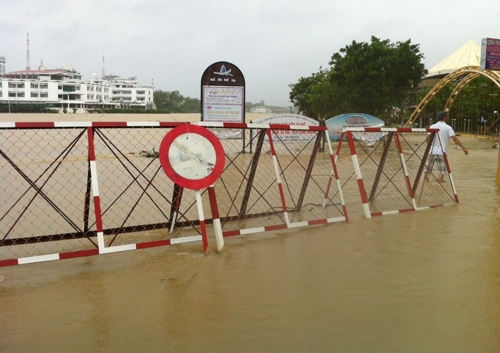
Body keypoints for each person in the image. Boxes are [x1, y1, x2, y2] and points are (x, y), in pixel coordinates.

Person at [425, 111, 468, 183]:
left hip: (431, 151)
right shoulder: (448, 128)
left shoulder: (432, 126)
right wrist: (463, 148)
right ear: (445, 118)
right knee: (441, 171)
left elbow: (428, 138)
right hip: (442, 153)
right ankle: (439, 184)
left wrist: (431, 145)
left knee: (427, 169)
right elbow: (454, 138)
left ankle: (427, 183)